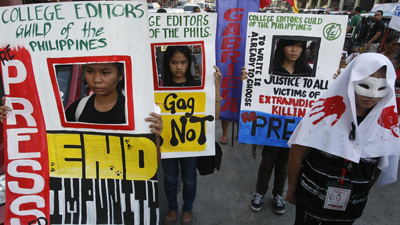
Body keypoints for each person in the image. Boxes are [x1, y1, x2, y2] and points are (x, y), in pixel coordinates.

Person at [286, 53, 400, 225]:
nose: (372, 96)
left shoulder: (384, 126)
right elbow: (296, 155)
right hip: (311, 200)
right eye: (365, 85)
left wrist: (361, 192)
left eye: (381, 88)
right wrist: (292, 189)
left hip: (351, 207)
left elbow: (379, 165)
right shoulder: (324, 114)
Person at [161, 45, 221, 225]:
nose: (179, 67)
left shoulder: (197, 85)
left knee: (189, 179)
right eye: (174, 62)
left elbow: (215, 115)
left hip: (191, 144)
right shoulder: (160, 86)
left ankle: (187, 208)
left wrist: (216, 87)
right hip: (168, 144)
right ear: (167, 63)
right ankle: (172, 207)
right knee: (170, 178)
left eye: (183, 62)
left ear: (189, 63)